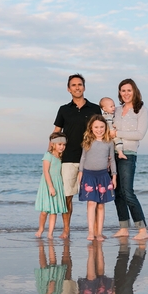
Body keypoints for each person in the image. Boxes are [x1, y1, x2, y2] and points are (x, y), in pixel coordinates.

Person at [53, 74, 102, 238]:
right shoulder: (63, 109)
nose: (77, 87)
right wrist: (51, 156)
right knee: (67, 196)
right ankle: (66, 229)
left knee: (94, 197)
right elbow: (56, 133)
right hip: (68, 158)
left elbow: (101, 132)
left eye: (80, 84)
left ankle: (95, 231)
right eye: (73, 85)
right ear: (69, 89)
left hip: (91, 159)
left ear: (84, 87)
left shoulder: (95, 108)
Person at [110, 79, 148, 240]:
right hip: (113, 154)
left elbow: (139, 134)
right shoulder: (116, 110)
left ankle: (142, 230)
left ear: (134, 91)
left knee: (127, 192)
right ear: (119, 92)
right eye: (123, 90)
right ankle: (124, 228)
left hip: (128, 154)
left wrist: (117, 134)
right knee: (117, 192)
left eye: (129, 90)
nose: (126, 93)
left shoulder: (141, 110)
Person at [77, 115, 117, 241]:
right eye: (96, 127)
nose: (99, 129)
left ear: (105, 127)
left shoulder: (109, 142)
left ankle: (99, 233)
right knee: (91, 203)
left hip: (103, 175)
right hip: (89, 175)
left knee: (101, 205)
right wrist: (80, 172)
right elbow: (83, 157)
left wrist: (114, 176)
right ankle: (90, 232)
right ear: (91, 128)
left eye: (101, 127)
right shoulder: (87, 141)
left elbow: (113, 160)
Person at [35, 132, 68, 238]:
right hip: (48, 184)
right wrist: (50, 186)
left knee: (54, 211)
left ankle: (50, 233)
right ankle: (41, 229)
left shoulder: (61, 157)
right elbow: (46, 171)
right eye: (59, 144)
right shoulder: (48, 155)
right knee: (44, 211)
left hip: (58, 184)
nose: (62, 147)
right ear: (53, 144)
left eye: (63, 145)